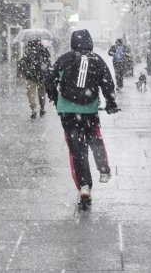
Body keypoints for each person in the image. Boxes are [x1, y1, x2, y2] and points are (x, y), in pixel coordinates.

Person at [45, 29, 119, 207]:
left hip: (68, 111)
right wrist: (110, 102)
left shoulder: (64, 59)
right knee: (95, 138)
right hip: (89, 110)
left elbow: (49, 81)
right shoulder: (97, 60)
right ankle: (103, 170)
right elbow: (107, 82)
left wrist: (56, 99)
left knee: (76, 150)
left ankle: (84, 186)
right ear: (90, 42)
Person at [18, 39, 51, 119]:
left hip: (31, 77)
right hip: (41, 76)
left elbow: (23, 64)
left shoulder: (28, 51)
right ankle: (42, 108)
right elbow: (48, 63)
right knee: (41, 94)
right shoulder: (43, 50)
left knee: (31, 94)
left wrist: (28, 72)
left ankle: (34, 109)